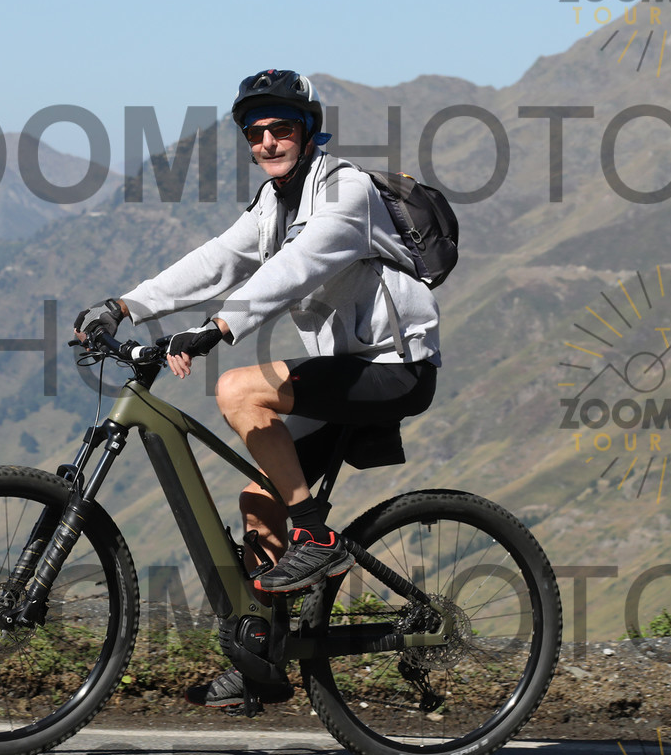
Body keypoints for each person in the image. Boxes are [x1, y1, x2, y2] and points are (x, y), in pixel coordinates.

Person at [74, 69, 439, 708]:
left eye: (282, 128)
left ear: (309, 129)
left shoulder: (346, 190)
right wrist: (125, 306)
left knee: (240, 391)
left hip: (395, 366)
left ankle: (316, 538)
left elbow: (299, 267)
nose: (268, 141)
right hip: (341, 370)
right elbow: (217, 260)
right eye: (256, 132)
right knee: (258, 505)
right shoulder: (275, 202)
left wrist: (216, 328)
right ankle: (262, 663)